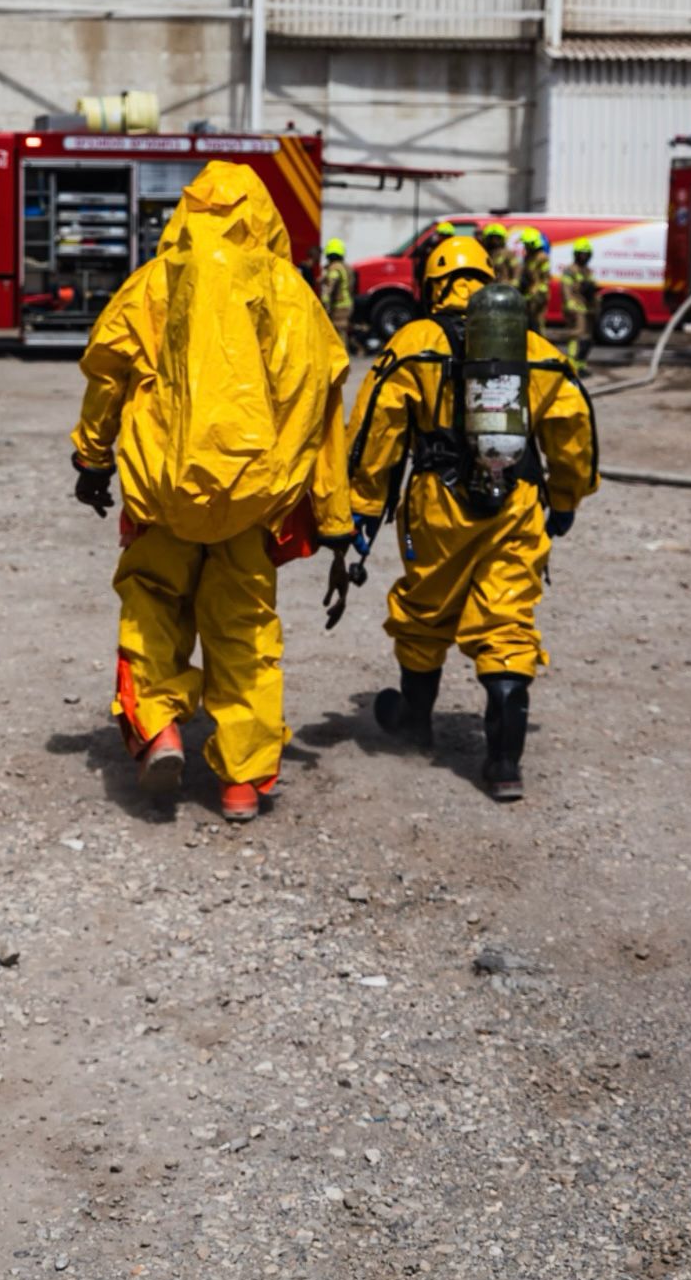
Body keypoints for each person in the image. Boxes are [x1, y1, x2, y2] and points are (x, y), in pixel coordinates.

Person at [70, 162, 353, 824]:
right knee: (245, 632)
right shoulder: (293, 295)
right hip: (254, 503)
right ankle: (241, 783)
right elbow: (323, 409)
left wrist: (92, 457)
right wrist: (334, 517)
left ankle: (160, 728)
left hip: (162, 497)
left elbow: (108, 373)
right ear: (263, 218)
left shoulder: (151, 284)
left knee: (152, 607)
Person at [342, 234, 597, 800]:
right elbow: (574, 427)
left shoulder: (415, 342)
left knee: (425, 610)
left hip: (438, 502)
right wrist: (565, 498)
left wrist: (363, 505)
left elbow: (375, 431)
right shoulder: (533, 347)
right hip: (518, 501)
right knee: (507, 618)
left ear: (432, 286)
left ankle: (415, 723)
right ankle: (504, 764)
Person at [562, 238, 599, 371]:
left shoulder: (588, 271)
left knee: (587, 339)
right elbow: (566, 289)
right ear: (576, 254)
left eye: (586, 254)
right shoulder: (570, 270)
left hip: (588, 308)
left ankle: (581, 365)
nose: (584, 257)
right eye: (581, 254)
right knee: (576, 336)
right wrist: (570, 305)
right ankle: (572, 366)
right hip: (576, 308)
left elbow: (592, 288)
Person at [410, 219, 456, 310]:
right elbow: (416, 254)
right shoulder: (430, 247)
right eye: (442, 235)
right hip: (429, 281)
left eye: (447, 236)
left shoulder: (453, 249)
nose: (444, 239)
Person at [319, 237, 354, 349]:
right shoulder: (346, 267)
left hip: (339, 306)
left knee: (338, 335)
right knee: (342, 332)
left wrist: (325, 305)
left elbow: (329, 287)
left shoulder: (334, 268)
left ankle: (340, 356)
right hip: (347, 304)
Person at [518, 226, 551, 332]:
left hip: (537, 296)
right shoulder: (528, 257)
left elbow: (544, 279)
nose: (525, 247)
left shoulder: (542, 257)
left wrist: (538, 294)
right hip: (528, 295)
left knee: (537, 324)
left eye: (526, 244)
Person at [482, 221, 517, 285]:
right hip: (487, 287)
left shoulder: (507, 254)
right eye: (491, 238)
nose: (494, 241)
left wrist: (513, 283)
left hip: (503, 287)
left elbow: (516, 270)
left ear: (502, 239)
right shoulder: (483, 254)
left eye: (497, 238)